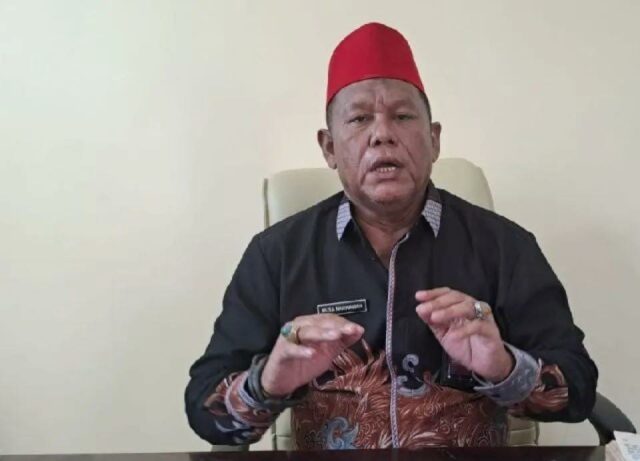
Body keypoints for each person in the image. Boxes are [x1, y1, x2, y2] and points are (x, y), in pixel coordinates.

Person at [185, 22, 597, 449]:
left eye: (402, 117)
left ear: (433, 140)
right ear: (329, 148)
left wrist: (505, 368)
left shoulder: (504, 246)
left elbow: (579, 389)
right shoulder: (278, 254)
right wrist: (267, 383)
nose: (382, 134)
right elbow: (203, 410)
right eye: (359, 119)